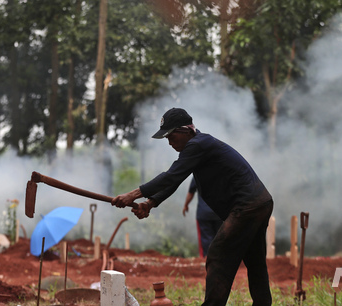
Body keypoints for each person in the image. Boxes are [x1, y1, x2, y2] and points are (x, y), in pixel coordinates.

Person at [112, 107, 274, 306]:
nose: (169, 142)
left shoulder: (197, 145)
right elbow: (175, 180)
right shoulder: (198, 147)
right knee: (255, 262)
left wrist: (133, 194)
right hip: (260, 203)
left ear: (185, 130)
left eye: (171, 136)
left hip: (247, 206)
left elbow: (170, 176)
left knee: (218, 255)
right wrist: (150, 203)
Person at [183, 176, 222, 258]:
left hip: (203, 213)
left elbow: (191, 192)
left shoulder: (198, 174)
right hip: (219, 213)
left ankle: (207, 261)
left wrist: (186, 205)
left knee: (206, 241)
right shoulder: (221, 173)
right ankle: (220, 261)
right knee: (219, 239)